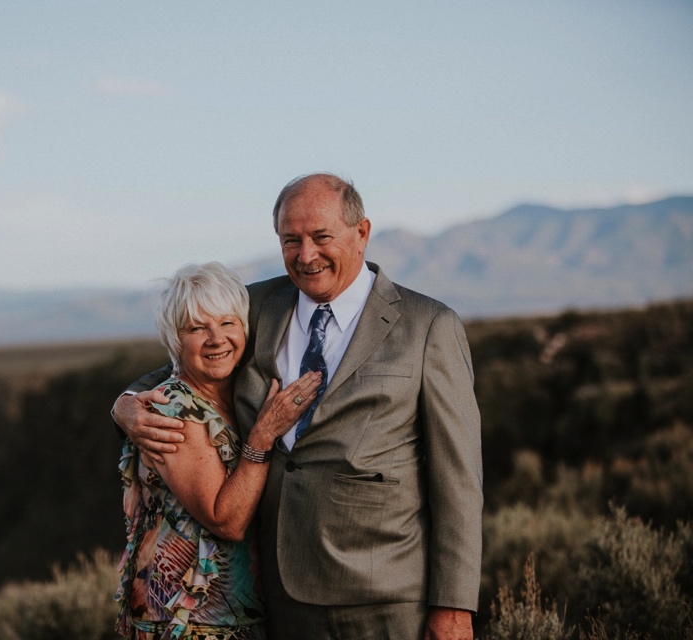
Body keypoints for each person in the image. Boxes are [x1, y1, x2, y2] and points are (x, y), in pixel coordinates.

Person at [113, 174, 483, 640]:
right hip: (281, 599)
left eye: (321, 237)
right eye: (291, 240)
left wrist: (453, 606)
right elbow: (188, 359)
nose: (306, 256)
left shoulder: (429, 326)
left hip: (387, 598)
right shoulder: (258, 304)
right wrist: (125, 404)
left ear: (362, 232)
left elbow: (459, 481)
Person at [114, 261, 323, 640]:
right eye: (197, 328)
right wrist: (263, 437)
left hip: (234, 616)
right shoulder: (172, 408)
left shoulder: (233, 394)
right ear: (175, 339)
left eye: (227, 323)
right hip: (186, 621)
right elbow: (226, 519)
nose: (216, 338)